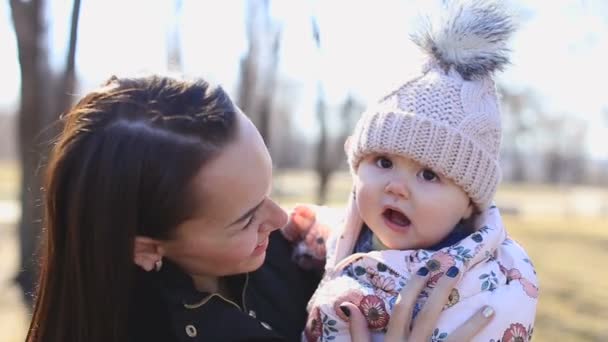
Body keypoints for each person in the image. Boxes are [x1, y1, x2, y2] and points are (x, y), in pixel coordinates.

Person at [24, 75, 492, 342]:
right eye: (246, 218)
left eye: (267, 191)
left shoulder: (295, 255)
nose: (280, 218)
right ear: (147, 247)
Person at [282, 1, 539, 341]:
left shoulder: (486, 291)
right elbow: (322, 227)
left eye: (429, 175)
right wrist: (288, 222)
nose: (396, 187)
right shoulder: (349, 231)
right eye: (384, 162)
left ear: (469, 203)